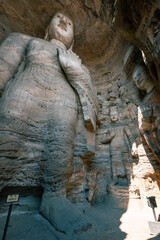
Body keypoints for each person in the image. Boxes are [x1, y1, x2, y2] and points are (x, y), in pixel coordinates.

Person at [0, 12, 98, 223]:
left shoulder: (79, 65)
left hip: (62, 113)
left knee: (59, 150)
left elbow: (90, 105)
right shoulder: (26, 40)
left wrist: (76, 70)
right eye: (59, 18)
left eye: (69, 23)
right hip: (22, 100)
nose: (64, 22)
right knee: (6, 145)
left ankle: (55, 196)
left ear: (72, 40)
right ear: (47, 28)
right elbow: (4, 67)